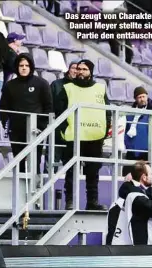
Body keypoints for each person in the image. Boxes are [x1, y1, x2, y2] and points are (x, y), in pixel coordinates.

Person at [54, 59, 110, 210]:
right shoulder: (67, 88)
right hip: (74, 136)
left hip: (95, 138)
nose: (80, 71)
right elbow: (59, 111)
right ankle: (70, 202)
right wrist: (65, 129)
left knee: (93, 173)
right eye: (78, 69)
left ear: (90, 72)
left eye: (84, 69)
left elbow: (108, 112)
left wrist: (104, 132)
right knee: (71, 172)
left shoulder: (100, 88)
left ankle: (92, 202)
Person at [0, 53, 53, 173]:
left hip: (36, 130)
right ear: (17, 67)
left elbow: (48, 106)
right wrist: (6, 124)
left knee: (35, 160)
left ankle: (36, 188)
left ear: (31, 67)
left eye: (26, 65)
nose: (24, 68)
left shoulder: (42, 83)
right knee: (19, 162)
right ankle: (19, 189)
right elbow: (3, 107)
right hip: (16, 130)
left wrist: (42, 126)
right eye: (21, 65)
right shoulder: (9, 85)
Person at [105, 161, 152, 245]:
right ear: (143, 177)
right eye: (151, 174)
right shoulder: (136, 197)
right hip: (134, 248)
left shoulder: (134, 197)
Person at [122, 87, 152, 175]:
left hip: (147, 150)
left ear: (147, 96)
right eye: (139, 97)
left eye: (143, 96)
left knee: (146, 177)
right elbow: (126, 128)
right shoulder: (130, 112)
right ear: (135, 99)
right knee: (127, 176)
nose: (142, 99)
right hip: (132, 150)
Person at [49, 60, 78, 168]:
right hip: (57, 127)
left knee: (71, 163)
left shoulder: (83, 88)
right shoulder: (56, 84)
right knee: (52, 159)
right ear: (68, 69)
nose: (75, 71)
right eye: (73, 68)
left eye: (78, 69)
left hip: (74, 130)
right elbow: (49, 105)